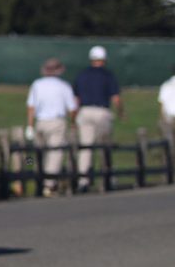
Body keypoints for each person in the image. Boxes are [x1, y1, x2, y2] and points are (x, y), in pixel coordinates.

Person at [71, 45, 122, 192]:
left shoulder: (82, 75)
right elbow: (116, 98)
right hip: (102, 112)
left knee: (85, 147)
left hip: (85, 112)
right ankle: (107, 177)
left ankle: (83, 180)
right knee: (104, 146)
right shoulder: (108, 75)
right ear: (104, 59)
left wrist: (73, 118)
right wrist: (120, 112)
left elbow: (76, 100)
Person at [26, 57, 77, 197]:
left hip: (40, 122)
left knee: (38, 152)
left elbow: (31, 107)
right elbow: (72, 108)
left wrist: (29, 126)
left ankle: (37, 177)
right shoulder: (64, 86)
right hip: (57, 122)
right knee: (55, 153)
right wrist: (73, 122)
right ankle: (48, 184)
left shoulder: (37, 84)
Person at [159, 63, 175, 149]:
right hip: (170, 118)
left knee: (169, 145)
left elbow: (162, 105)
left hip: (169, 118)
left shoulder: (166, 85)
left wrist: (162, 119)